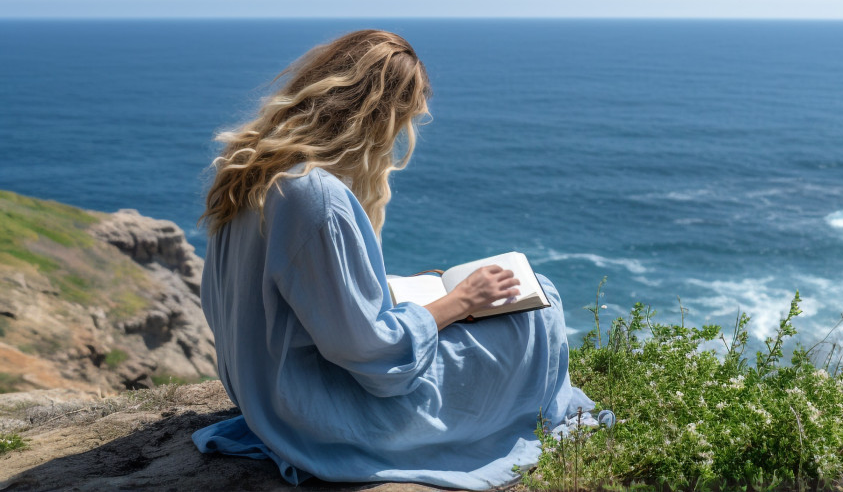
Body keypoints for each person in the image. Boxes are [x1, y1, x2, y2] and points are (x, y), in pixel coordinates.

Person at [191, 29, 597, 489]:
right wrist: (460, 300)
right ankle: (533, 412)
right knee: (538, 307)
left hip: (263, 391)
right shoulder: (315, 197)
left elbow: (285, 298)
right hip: (319, 413)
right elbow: (371, 354)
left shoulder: (250, 170)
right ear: (378, 116)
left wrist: (402, 292)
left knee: (509, 301)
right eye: (403, 120)